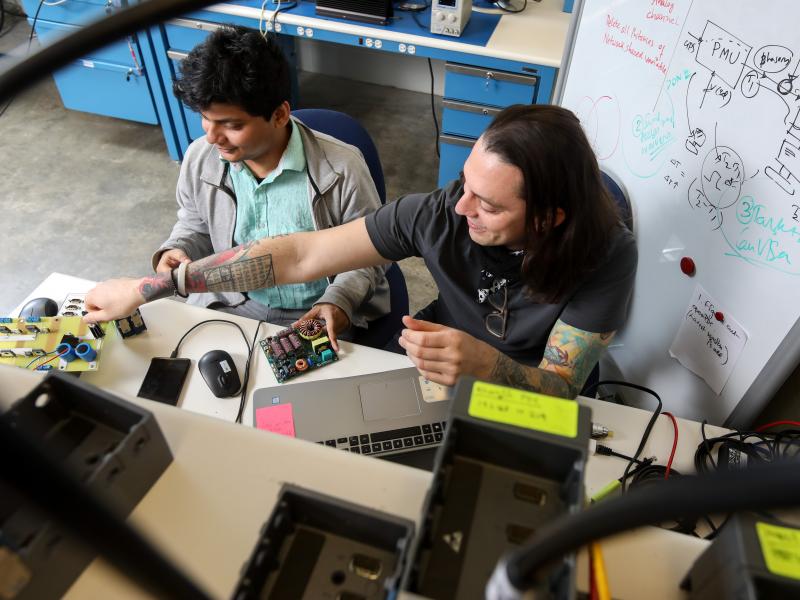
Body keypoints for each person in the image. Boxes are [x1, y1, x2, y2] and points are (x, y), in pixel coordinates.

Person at [85, 105, 638, 399]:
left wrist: (486, 366)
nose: (462, 206)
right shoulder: (437, 212)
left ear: (548, 217)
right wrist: (152, 287)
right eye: (464, 183)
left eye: (489, 205)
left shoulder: (606, 254)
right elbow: (296, 256)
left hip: (524, 391)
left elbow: (562, 389)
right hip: (438, 365)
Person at [154, 25, 389, 350]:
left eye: (232, 125)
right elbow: (195, 223)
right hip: (232, 302)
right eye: (206, 119)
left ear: (279, 115)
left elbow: (369, 255)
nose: (212, 136)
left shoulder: (342, 168)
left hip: (317, 309)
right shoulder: (201, 157)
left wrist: (339, 301)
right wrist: (177, 249)